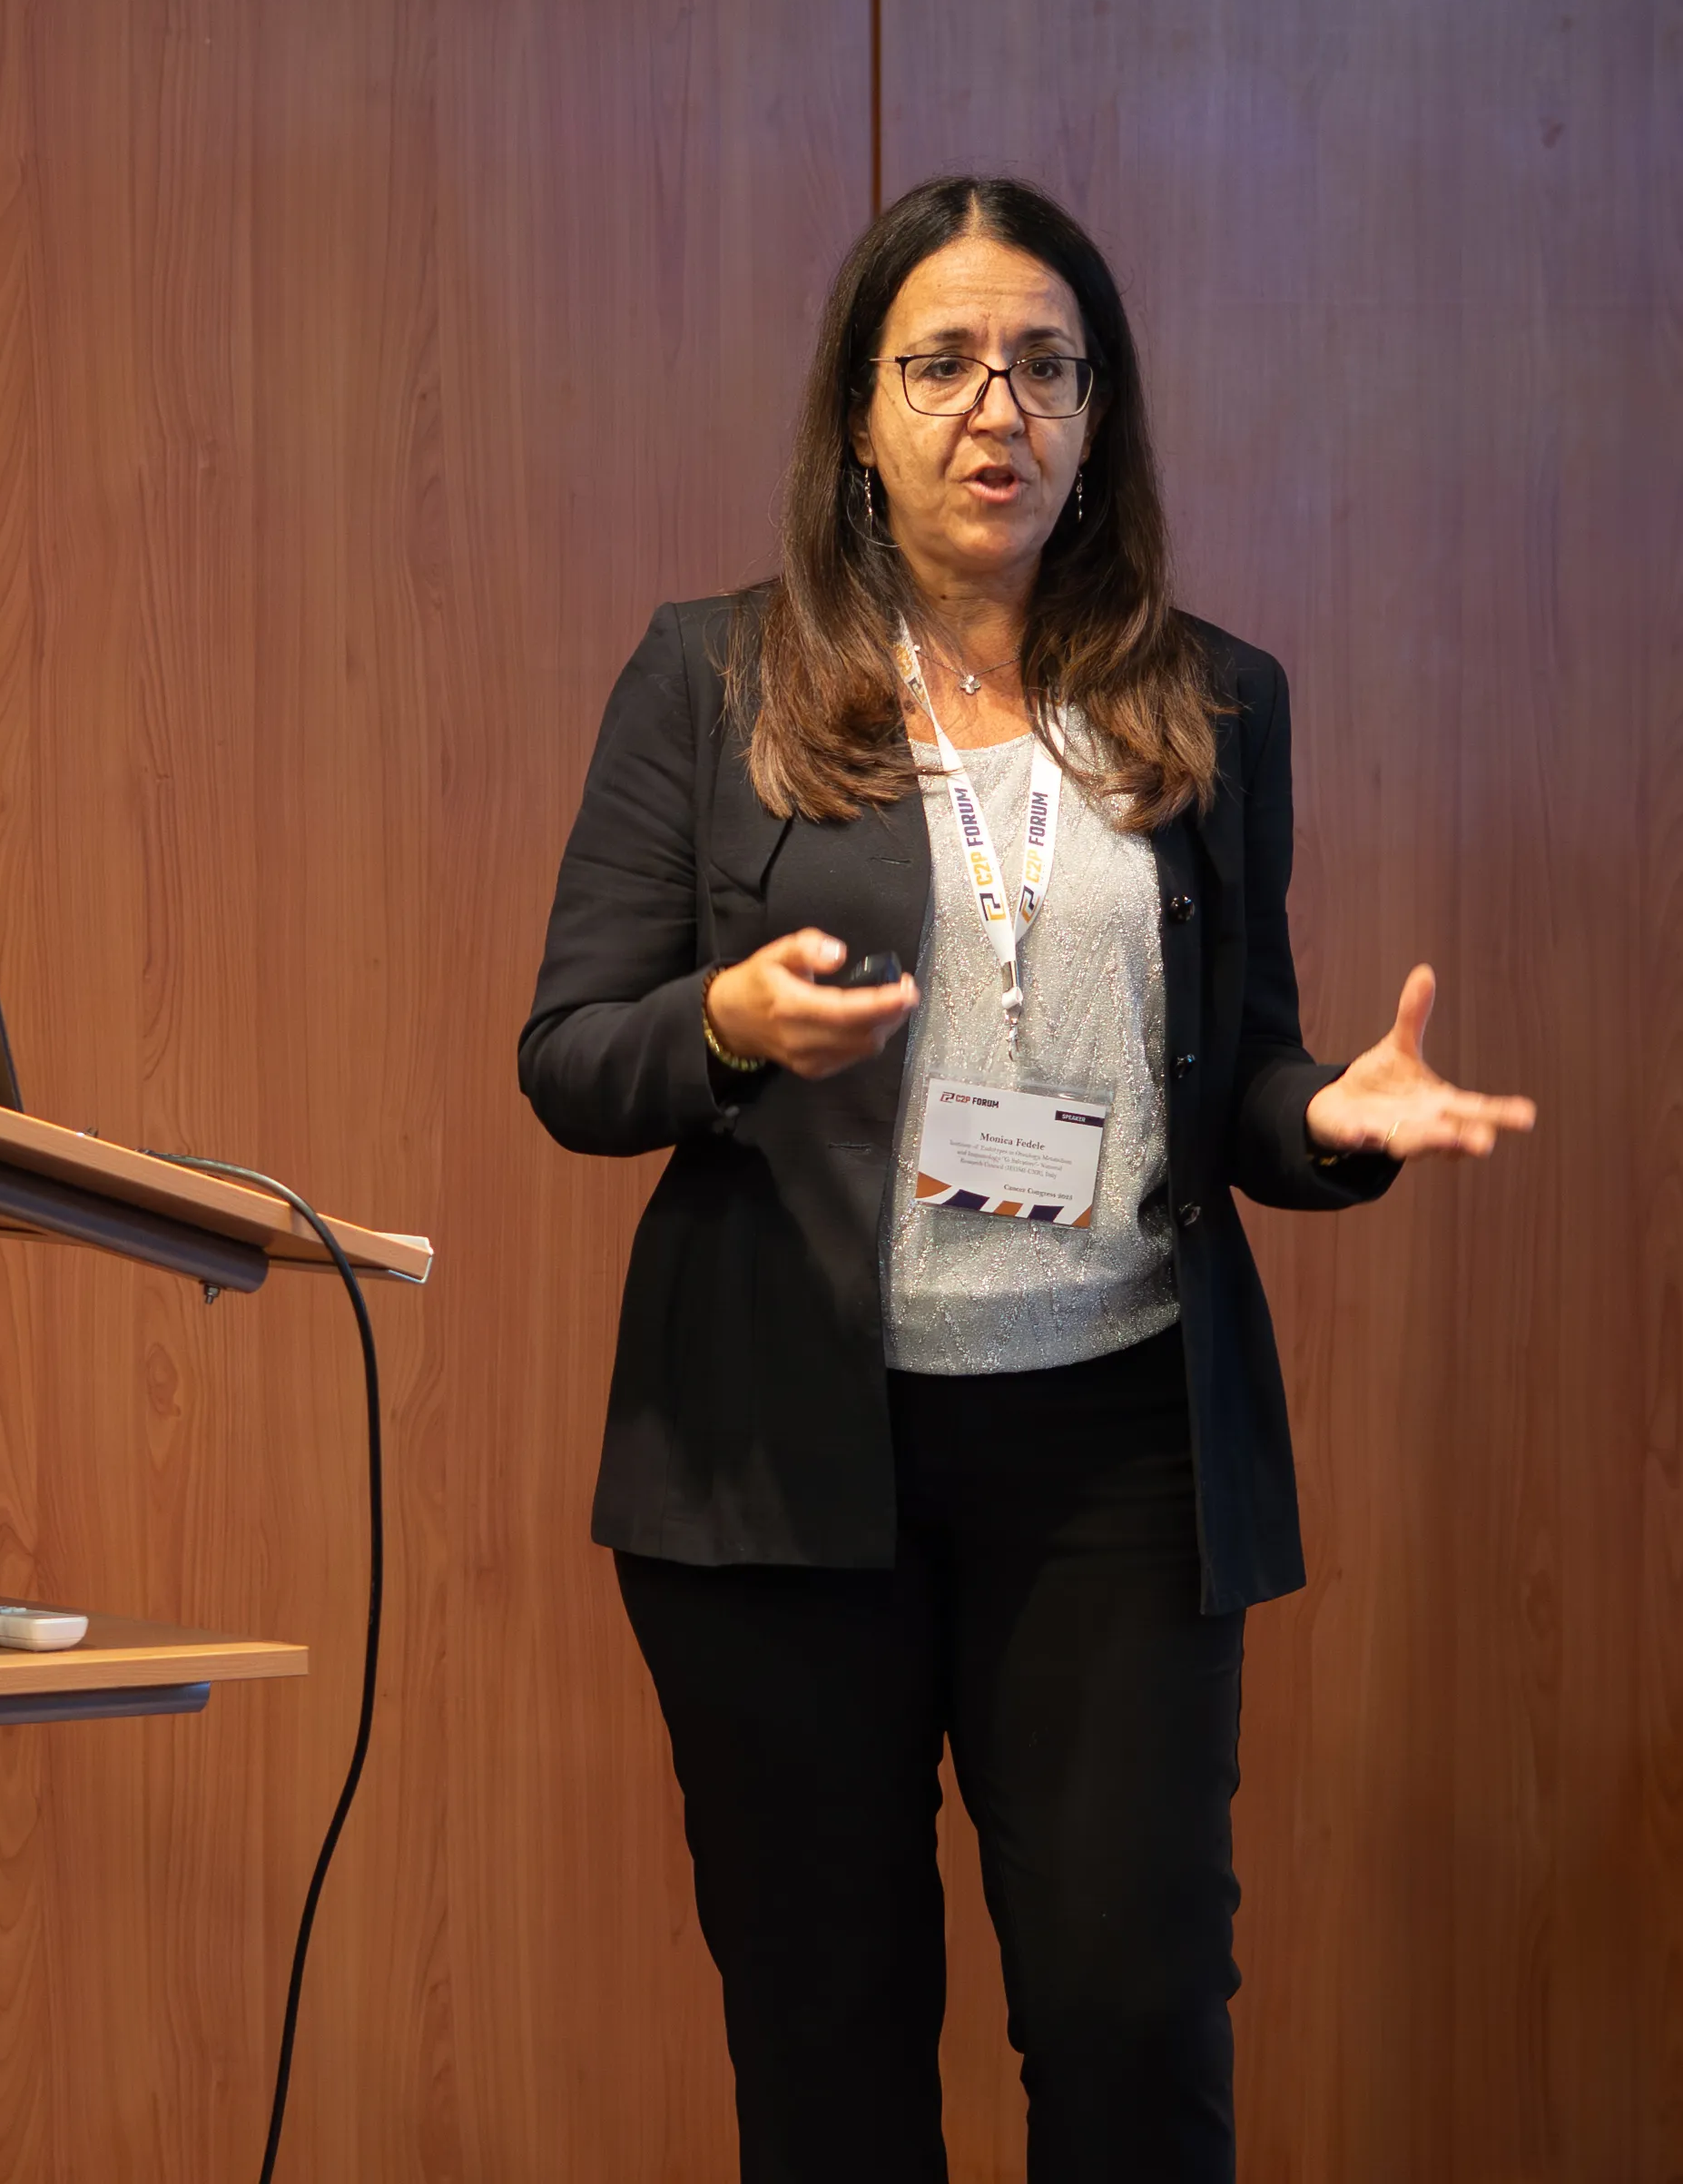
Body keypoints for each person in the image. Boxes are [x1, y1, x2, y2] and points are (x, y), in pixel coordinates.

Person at [517, 176, 1533, 2180]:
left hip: (1114, 1453)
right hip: (786, 1458)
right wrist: (725, 1022)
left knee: (1133, 2024)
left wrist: (1327, 1121)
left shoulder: (1211, 696)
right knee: (830, 2040)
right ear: (862, 411)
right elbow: (572, 1056)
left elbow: (1237, 1074)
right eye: (945, 365)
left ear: (1097, 412)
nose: (1000, 407)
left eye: (1046, 366)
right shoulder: (714, 677)